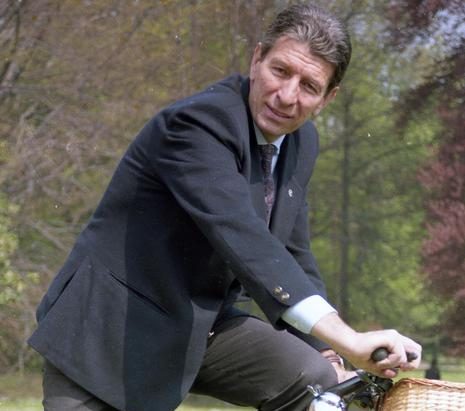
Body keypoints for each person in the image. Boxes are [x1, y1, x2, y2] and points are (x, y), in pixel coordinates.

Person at [28, 4, 422, 411]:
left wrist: (328, 351)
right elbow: (245, 239)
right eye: (280, 71)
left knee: (315, 379)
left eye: (309, 86)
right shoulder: (199, 123)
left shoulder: (301, 143)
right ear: (257, 59)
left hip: (201, 326)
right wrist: (350, 339)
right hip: (108, 328)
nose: (287, 96)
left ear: (327, 98)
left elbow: (292, 253)